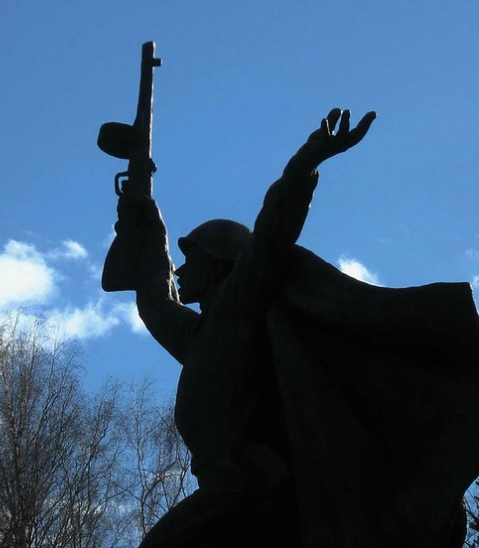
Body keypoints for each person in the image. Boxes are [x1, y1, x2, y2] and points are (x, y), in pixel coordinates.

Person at [103, 109, 479, 547]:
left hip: (256, 490)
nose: (181, 271)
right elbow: (155, 299)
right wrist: (145, 212)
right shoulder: (197, 337)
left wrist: (306, 163)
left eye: (192, 259)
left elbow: (272, 231)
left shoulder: (239, 309)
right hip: (231, 491)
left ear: (221, 263)